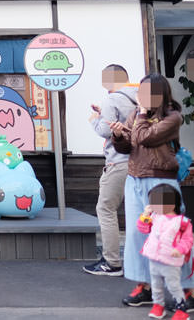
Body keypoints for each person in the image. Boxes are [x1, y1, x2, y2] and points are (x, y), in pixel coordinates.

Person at [111, 72, 192, 307]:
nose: (142, 97)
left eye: (147, 93)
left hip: (160, 180)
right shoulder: (136, 114)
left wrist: (142, 115)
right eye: (141, 92)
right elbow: (128, 145)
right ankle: (143, 286)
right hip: (134, 179)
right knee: (138, 235)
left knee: (171, 235)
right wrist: (118, 135)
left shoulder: (172, 117)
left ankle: (188, 291)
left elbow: (144, 138)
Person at [84, 64, 138, 276]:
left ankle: (112, 262)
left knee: (106, 209)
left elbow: (105, 130)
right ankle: (138, 263)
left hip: (118, 162)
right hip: (138, 162)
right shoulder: (138, 97)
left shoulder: (111, 99)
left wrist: (95, 119)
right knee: (136, 213)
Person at [137, 184, 193, 320]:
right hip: (154, 258)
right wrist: (145, 214)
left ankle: (181, 310)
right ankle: (158, 306)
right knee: (156, 285)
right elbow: (143, 228)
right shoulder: (155, 216)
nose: (154, 206)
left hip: (171, 261)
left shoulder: (182, 222)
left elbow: (188, 240)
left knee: (174, 286)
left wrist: (180, 249)